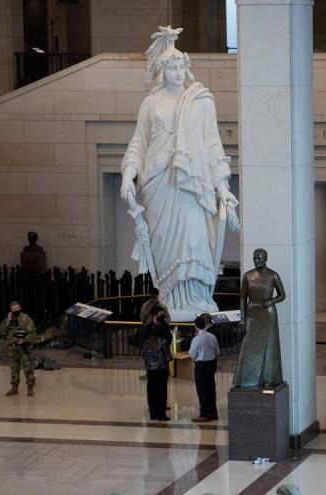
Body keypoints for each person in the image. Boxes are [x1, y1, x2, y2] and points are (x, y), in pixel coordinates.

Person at [121, 26, 239, 321]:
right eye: (171, 66)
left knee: (195, 240)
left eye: (180, 65)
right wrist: (128, 174)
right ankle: (172, 300)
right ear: (162, 70)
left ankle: (197, 299)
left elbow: (213, 145)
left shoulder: (200, 101)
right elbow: (139, 142)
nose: (177, 71)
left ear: (187, 67)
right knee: (166, 247)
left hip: (190, 185)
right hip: (159, 185)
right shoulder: (150, 104)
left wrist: (223, 188)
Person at [233, 248, 286, 389]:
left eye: (261, 258)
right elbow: (243, 298)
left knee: (270, 346)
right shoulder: (248, 276)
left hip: (268, 312)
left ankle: (269, 378)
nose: (258, 261)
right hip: (252, 312)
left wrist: (272, 301)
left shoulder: (273, 275)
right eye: (256, 258)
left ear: (266, 259)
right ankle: (247, 379)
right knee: (249, 346)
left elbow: (282, 295)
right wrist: (243, 318)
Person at [0, 301, 37, 397]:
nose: (15, 312)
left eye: (17, 310)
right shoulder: (8, 320)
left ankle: (30, 387)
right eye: (13, 310)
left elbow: (33, 335)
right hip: (13, 348)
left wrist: (24, 341)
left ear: (20, 309)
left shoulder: (26, 319)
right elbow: (2, 332)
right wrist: (8, 320)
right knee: (14, 368)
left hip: (24, 348)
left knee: (27, 368)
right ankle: (14, 388)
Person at [141, 316, 172, 421]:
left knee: (151, 390)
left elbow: (144, 355)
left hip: (150, 369)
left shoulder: (146, 342)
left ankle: (153, 413)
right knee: (162, 391)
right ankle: (161, 415)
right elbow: (168, 357)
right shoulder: (163, 342)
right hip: (162, 369)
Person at [189, 314, 219, 422]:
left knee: (202, 390)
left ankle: (204, 414)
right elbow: (217, 352)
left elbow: (192, 354)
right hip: (212, 364)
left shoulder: (196, 339)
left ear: (196, 326)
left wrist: (198, 358)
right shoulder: (212, 337)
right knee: (211, 388)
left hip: (201, 365)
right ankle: (213, 412)